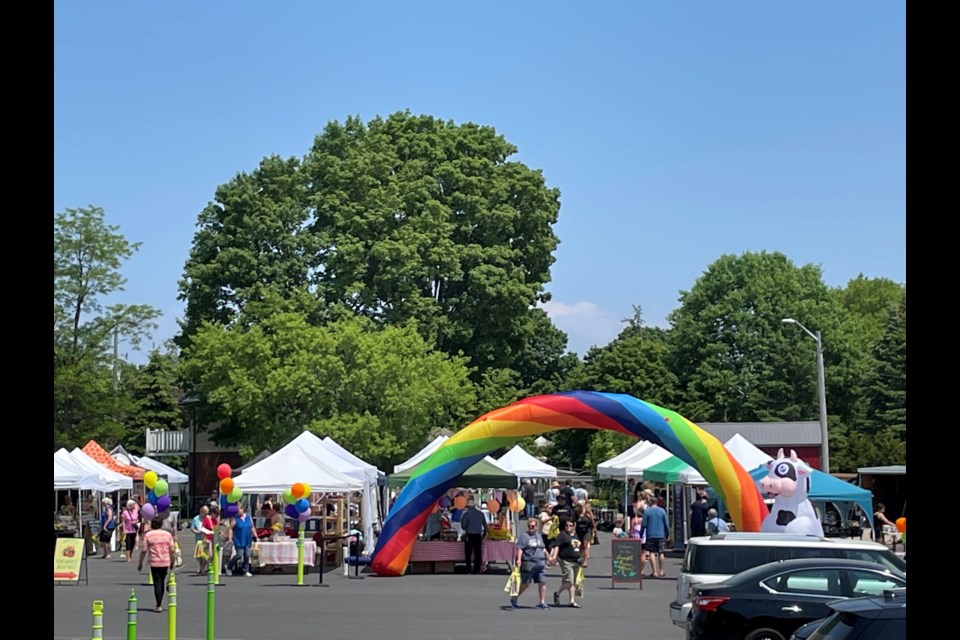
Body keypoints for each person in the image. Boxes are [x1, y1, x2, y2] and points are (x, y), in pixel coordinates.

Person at [138, 518, 176, 613]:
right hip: (165, 561)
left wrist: (140, 563)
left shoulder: (148, 535)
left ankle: (158, 604)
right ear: (161, 524)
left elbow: (143, 550)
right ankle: (159, 602)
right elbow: (172, 550)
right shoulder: (167, 535)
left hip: (154, 562)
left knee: (157, 582)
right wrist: (173, 561)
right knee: (162, 581)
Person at [511, 517, 550, 609]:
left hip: (540, 563)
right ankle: (514, 597)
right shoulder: (524, 536)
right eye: (529, 526)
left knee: (542, 582)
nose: (531, 528)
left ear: (536, 527)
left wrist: (548, 556)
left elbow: (542, 548)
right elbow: (520, 549)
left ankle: (542, 602)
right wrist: (519, 560)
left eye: (532, 526)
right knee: (526, 583)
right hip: (529, 563)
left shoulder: (539, 536)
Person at [548, 520, 582, 608]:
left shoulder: (576, 535)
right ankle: (562, 595)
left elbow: (580, 547)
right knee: (569, 581)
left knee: (573, 582)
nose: (568, 527)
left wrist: (582, 557)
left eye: (570, 525)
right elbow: (557, 546)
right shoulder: (562, 535)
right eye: (567, 525)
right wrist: (554, 557)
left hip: (576, 561)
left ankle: (570, 600)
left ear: (574, 526)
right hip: (566, 561)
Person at [640, 497, 670, 578]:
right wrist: (668, 534)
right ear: (657, 502)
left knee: (652, 552)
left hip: (650, 534)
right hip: (660, 534)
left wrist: (641, 534)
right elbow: (666, 524)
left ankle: (654, 572)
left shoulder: (647, 512)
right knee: (661, 552)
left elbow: (643, 525)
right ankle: (661, 570)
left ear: (650, 502)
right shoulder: (662, 511)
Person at [228, 503, 258, 577]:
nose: (238, 512)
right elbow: (230, 528)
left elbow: (252, 527)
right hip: (239, 539)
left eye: (239, 510)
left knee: (247, 555)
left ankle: (246, 570)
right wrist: (230, 538)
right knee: (239, 554)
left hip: (247, 538)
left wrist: (255, 534)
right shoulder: (235, 519)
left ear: (242, 509)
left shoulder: (248, 517)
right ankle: (229, 567)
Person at [459, 498, 487, 574]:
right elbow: (485, 525)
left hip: (469, 535)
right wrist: (484, 534)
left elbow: (463, 526)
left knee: (468, 553)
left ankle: (468, 569)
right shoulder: (480, 514)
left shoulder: (466, 514)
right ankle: (476, 569)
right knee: (478, 553)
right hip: (478, 535)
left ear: (468, 506)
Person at [574, 500, 595, 568]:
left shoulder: (588, 512)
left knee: (585, 545)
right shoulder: (577, 512)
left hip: (587, 531)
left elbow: (592, 521)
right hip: (579, 530)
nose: (580, 506)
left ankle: (585, 561)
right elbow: (574, 521)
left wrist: (594, 529)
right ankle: (581, 558)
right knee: (580, 545)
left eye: (581, 505)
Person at [191, 505, 211, 575]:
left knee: (206, 555)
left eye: (207, 513)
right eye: (205, 513)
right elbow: (192, 528)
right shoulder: (196, 519)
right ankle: (201, 567)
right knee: (200, 556)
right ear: (201, 512)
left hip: (207, 539)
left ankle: (202, 569)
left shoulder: (208, 518)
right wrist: (197, 532)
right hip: (199, 539)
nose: (206, 514)